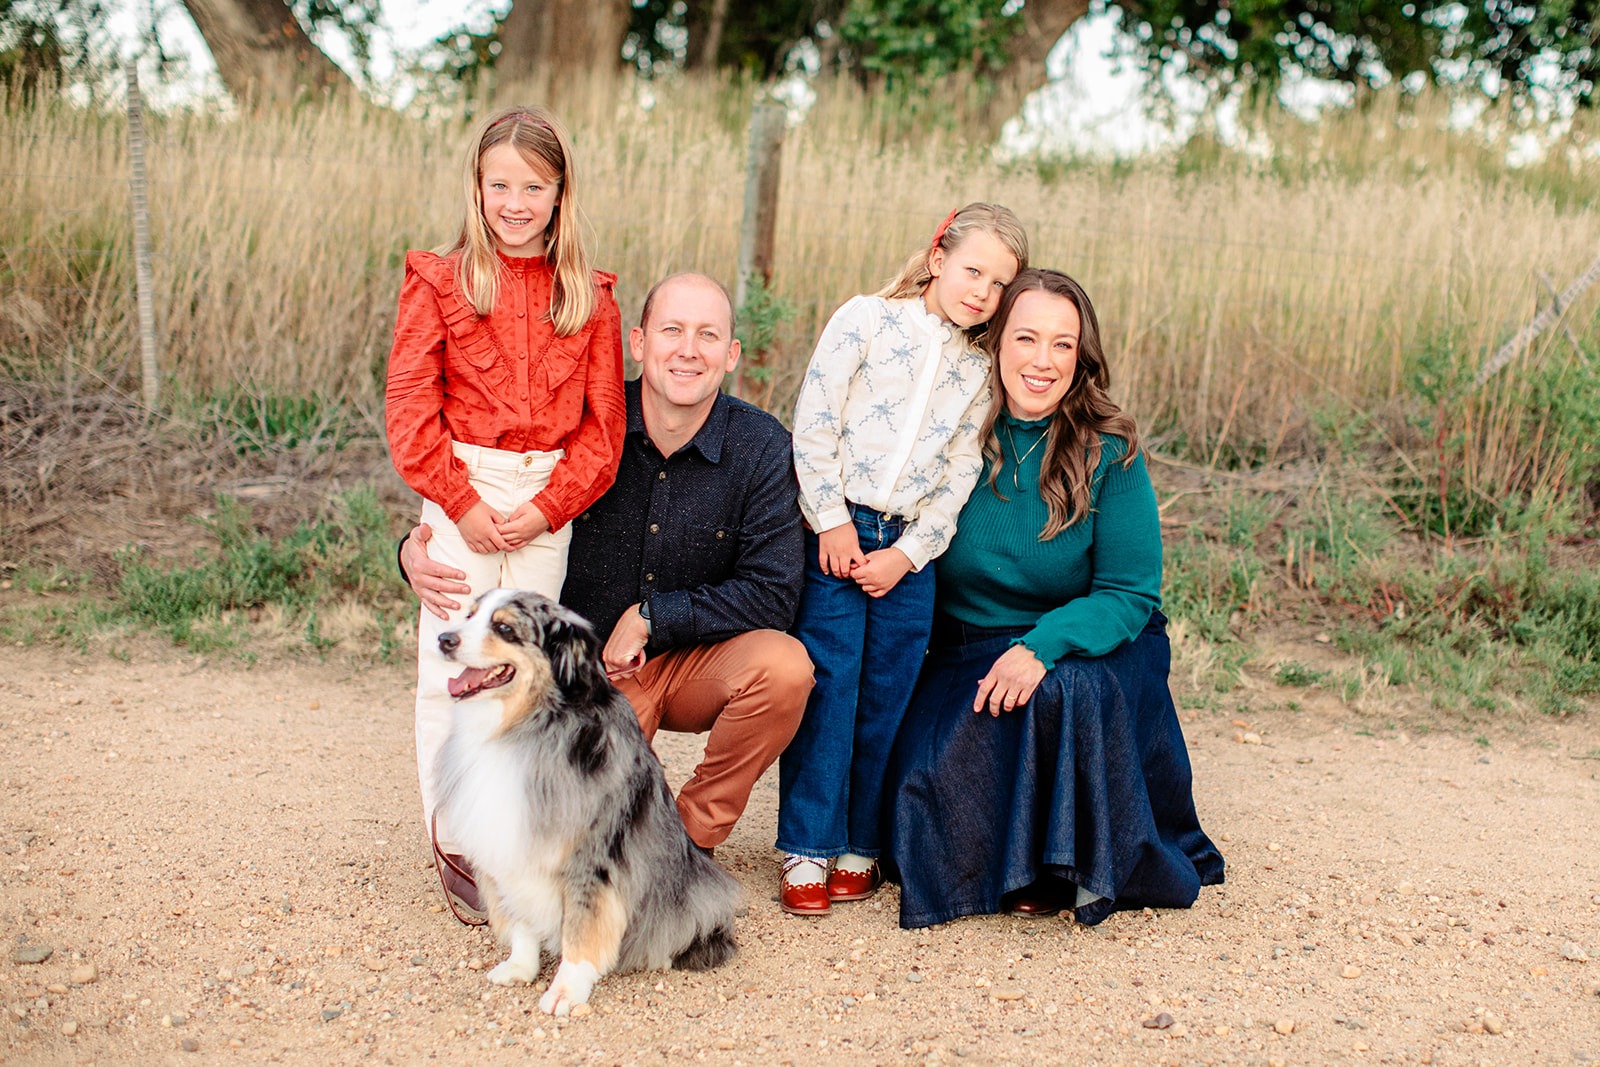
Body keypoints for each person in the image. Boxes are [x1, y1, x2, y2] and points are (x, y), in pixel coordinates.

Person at [400, 272, 813, 917]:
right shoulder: (585, 433)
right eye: (672, 331)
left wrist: (653, 617)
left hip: (700, 661)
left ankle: (689, 838)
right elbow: (503, 510)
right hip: (596, 678)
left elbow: (775, 592)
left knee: (786, 666)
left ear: (732, 355)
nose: (689, 350)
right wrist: (413, 547)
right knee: (591, 816)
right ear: (638, 342)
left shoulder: (762, 448)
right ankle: (588, 851)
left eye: (709, 336)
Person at [884, 268, 1225, 929]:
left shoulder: (1108, 446)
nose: (1043, 361)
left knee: (1063, 693)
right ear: (994, 343)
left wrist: (1041, 646)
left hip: (1093, 644)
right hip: (965, 650)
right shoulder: (947, 433)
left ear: (1081, 355)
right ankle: (1011, 858)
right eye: (1027, 338)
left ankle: (1060, 865)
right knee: (919, 791)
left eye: (1062, 344)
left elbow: (1130, 592)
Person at [384, 104, 626, 921]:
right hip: (463, 480)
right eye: (500, 185)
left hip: (545, 496)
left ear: (560, 193)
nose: (515, 202)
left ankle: (520, 824)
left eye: (534, 186)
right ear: (478, 188)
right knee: (451, 660)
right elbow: (411, 410)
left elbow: (603, 429)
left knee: (531, 665)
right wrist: (460, 500)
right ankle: (455, 839)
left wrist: (546, 508)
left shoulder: (588, 295)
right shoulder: (438, 282)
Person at [775, 204, 1029, 916]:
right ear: (938, 256)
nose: (982, 291)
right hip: (839, 527)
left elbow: (960, 471)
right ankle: (807, 844)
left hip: (909, 548)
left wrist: (911, 553)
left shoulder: (978, 368)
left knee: (888, 690)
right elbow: (815, 421)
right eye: (974, 269)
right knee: (831, 684)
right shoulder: (865, 319)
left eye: (999, 283)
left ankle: (862, 840)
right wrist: (828, 520)